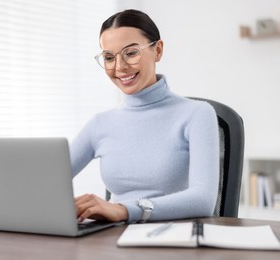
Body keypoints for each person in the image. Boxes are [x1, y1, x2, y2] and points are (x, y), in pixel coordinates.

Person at [70, 9, 219, 223]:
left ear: (157, 50)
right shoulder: (99, 124)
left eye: (131, 53)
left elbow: (203, 200)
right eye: (109, 57)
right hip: (113, 241)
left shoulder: (197, 114)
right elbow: (47, 181)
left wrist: (124, 210)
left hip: (175, 240)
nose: (120, 67)